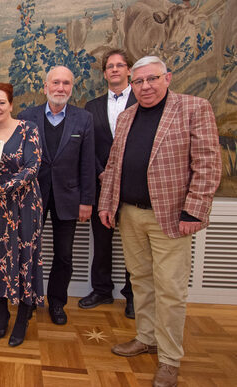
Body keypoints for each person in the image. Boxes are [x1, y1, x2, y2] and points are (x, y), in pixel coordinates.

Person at [98, 56, 221, 387]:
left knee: (170, 289)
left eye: (152, 79)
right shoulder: (126, 118)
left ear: (167, 78)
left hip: (169, 217)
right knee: (141, 282)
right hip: (130, 214)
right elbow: (114, 164)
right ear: (131, 85)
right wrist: (106, 204)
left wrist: (194, 211)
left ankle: (169, 358)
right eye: (138, 82)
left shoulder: (194, 108)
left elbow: (208, 164)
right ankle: (146, 338)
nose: (145, 87)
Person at [18, 66, 95, 325]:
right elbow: (17, 160)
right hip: (31, 196)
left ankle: (57, 303)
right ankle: (27, 301)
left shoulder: (83, 119)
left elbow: (87, 163)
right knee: (28, 251)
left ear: (72, 88)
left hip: (68, 198)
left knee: (64, 254)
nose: (60, 88)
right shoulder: (26, 117)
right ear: (45, 87)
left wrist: (87, 201)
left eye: (66, 83)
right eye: (55, 83)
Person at [0, 83, 44, 347]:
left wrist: (2, 188)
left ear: (11, 104)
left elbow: (32, 168)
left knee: (26, 257)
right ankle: (3, 314)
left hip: (25, 206)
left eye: (1, 103)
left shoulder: (29, 129)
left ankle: (23, 316)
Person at [80, 49, 136, 318]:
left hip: (135, 186)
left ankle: (134, 295)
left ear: (129, 71)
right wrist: (102, 173)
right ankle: (102, 290)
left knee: (134, 243)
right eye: (110, 66)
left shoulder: (143, 101)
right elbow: (87, 147)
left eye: (120, 65)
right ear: (104, 73)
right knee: (101, 241)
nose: (114, 69)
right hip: (101, 184)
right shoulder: (92, 107)